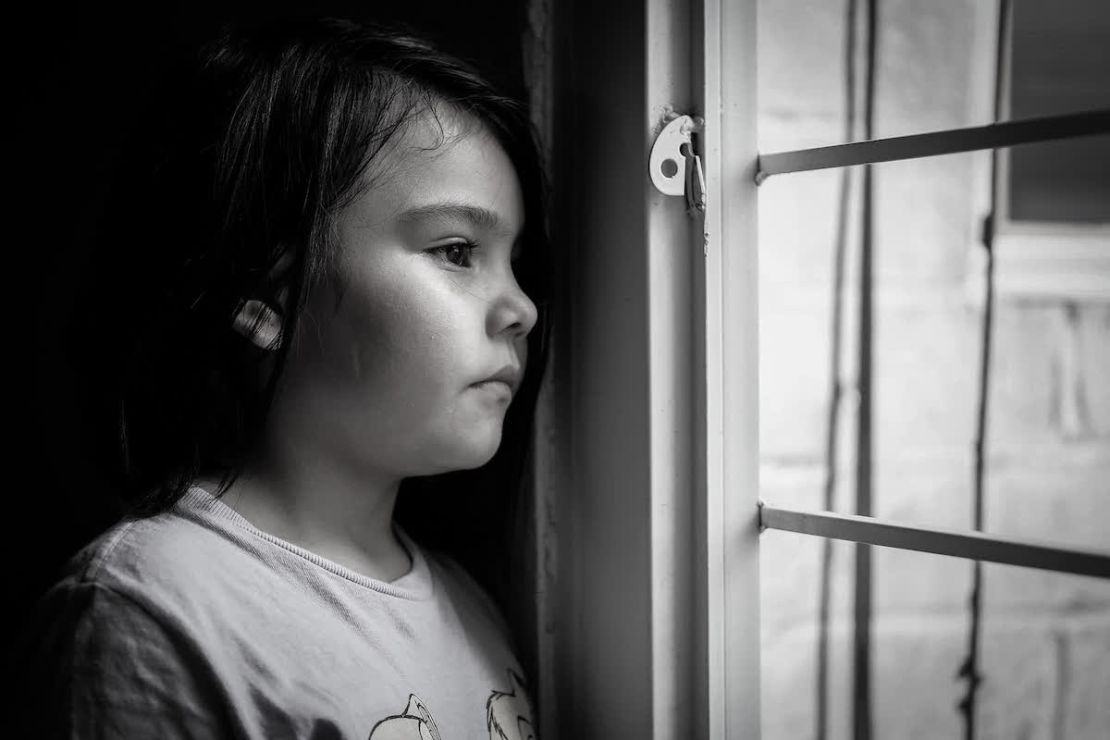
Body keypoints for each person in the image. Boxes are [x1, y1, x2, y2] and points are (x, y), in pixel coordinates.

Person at [16, 15, 550, 739]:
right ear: (265, 296)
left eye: (514, 259)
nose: (521, 307)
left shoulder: (472, 607)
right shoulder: (152, 612)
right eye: (457, 250)